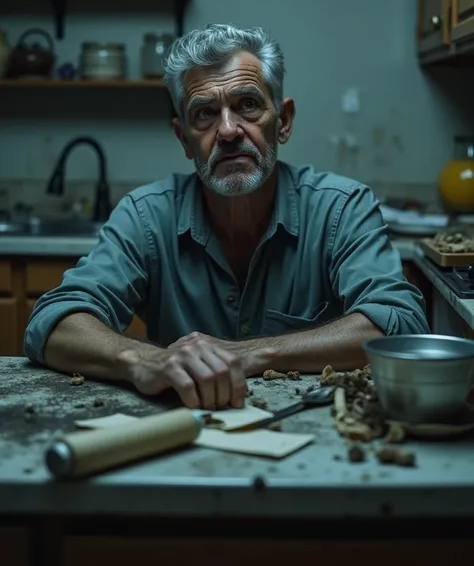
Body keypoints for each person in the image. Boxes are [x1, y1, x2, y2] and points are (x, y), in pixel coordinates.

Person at [24, 24, 429, 410]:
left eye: (247, 105)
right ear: (184, 138)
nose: (229, 130)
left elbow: (401, 324)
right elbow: (52, 321)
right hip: (180, 431)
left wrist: (250, 353)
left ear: (283, 122)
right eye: (204, 113)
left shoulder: (343, 208)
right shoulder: (146, 216)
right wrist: (143, 361)